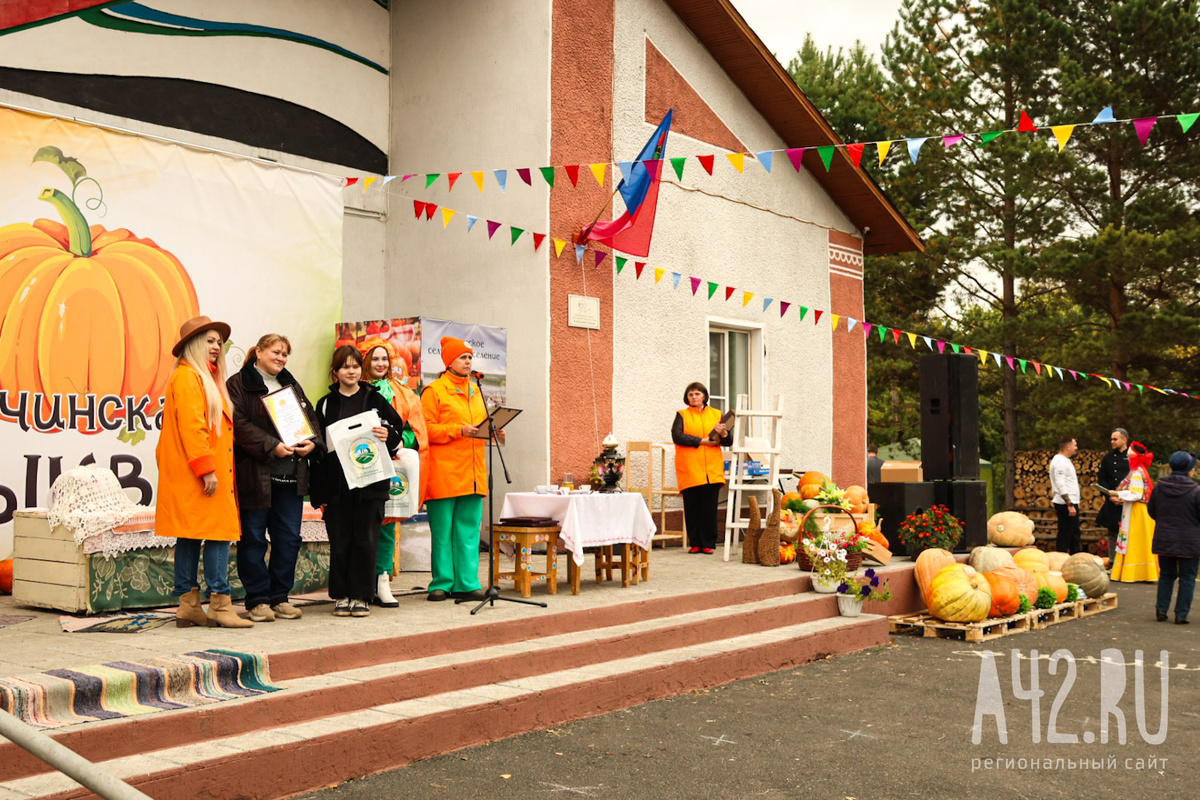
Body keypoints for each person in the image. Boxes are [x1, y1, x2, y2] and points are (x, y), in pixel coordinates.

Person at [155, 316, 252, 629]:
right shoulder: (188, 378)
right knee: (218, 534)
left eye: (218, 341)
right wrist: (206, 470)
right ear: (193, 345)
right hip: (201, 472)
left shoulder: (202, 378)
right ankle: (220, 604)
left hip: (196, 473)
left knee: (190, 535)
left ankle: (189, 605)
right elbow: (193, 428)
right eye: (209, 340)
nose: (216, 346)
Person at [228, 334, 325, 623]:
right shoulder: (239, 383)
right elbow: (237, 424)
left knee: (288, 539)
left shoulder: (290, 385)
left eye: (285, 354)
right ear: (258, 352)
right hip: (257, 475)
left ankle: (280, 597)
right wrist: (272, 446)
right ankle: (257, 600)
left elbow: (311, 422)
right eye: (276, 352)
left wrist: (313, 443)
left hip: (291, 476)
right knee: (254, 539)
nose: (281, 358)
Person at [310, 346, 410, 618]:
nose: (351, 371)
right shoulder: (325, 404)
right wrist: (320, 492)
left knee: (366, 540)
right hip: (338, 486)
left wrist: (385, 433)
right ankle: (341, 595)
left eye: (355, 366)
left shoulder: (374, 399)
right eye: (345, 366)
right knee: (341, 539)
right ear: (335, 372)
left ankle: (361, 596)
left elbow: (397, 430)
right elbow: (319, 449)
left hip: (370, 484)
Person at [421, 336, 501, 602]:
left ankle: (467, 583)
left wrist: (491, 431)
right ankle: (441, 584)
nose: (468, 361)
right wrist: (458, 430)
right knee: (442, 532)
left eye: (470, 357)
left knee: (468, 531)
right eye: (463, 357)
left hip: (473, 472)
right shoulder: (434, 391)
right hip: (444, 472)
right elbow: (426, 430)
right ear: (449, 361)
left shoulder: (476, 390)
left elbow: (477, 425)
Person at [360, 338, 427, 607]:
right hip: (360, 467)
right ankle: (360, 583)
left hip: (393, 467)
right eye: (375, 358)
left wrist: (400, 441)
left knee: (387, 524)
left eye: (385, 359)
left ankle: (382, 581)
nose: (380, 364)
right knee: (361, 527)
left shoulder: (405, 394)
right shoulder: (353, 389)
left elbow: (417, 432)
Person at [672, 382, 732, 555]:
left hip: (711, 469)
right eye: (690, 395)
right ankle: (695, 542)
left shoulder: (717, 414)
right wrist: (701, 441)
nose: (694, 397)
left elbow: (728, 441)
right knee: (692, 507)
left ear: (704, 396)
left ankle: (708, 543)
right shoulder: (682, 415)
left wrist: (724, 433)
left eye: (697, 394)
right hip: (690, 468)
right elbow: (677, 436)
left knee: (709, 507)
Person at [1148, 451, 1200, 624]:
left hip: (1165, 537)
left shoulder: (1159, 487)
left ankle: (1161, 610)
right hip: (1190, 540)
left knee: (1166, 575)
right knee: (1187, 578)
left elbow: (1152, 511)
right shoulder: (1195, 490)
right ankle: (1181, 614)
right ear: (1188, 470)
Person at [1111, 441, 1159, 583]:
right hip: (1137, 509)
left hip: (1137, 511)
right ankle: (1141, 572)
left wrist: (1119, 494)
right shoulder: (1139, 469)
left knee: (1135, 539)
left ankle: (1134, 572)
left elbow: (1136, 494)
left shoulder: (1137, 472)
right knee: (1138, 540)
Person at [1095, 428, 1130, 562]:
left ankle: (1128, 563)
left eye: (1115, 439)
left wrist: (1125, 497)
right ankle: (1113, 561)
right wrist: (1111, 497)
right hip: (1112, 501)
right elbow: (1102, 480)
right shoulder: (1108, 458)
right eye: (1111, 439)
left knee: (1129, 533)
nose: (1112, 442)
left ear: (1124, 440)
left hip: (1129, 501)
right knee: (1113, 532)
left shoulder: (1133, 457)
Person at [1048, 435, 1081, 554]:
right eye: (1074, 445)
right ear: (1068, 447)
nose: (1076, 448)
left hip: (1071, 502)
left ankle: (1074, 558)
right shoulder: (1059, 462)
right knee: (1066, 534)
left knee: (1074, 534)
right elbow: (1060, 483)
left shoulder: (1065, 460)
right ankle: (1061, 558)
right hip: (1065, 504)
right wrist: (1069, 503)